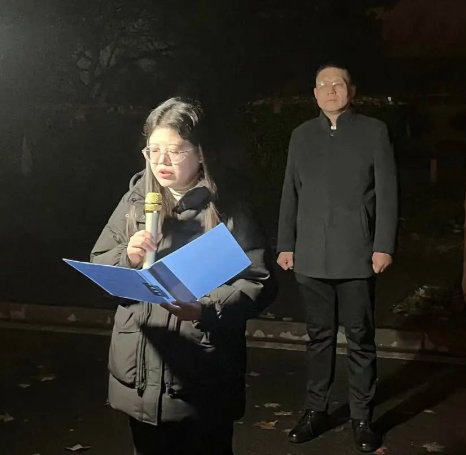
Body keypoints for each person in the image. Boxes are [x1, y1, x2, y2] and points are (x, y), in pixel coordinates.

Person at [90, 97, 276, 455]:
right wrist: (128, 257)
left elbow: (259, 280)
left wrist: (204, 309)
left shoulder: (230, 207)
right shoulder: (134, 201)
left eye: (174, 151)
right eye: (153, 150)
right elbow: (101, 261)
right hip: (139, 372)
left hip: (201, 375)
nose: (161, 161)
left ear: (201, 153)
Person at [276, 63, 398, 453]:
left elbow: (388, 193)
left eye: (338, 83)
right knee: (319, 338)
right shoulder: (301, 135)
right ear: (315, 94)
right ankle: (315, 411)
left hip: (357, 254)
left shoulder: (374, 131)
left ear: (352, 90)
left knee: (360, 338)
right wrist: (285, 243)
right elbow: (290, 192)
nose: (331, 90)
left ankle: (362, 417)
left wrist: (383, 245)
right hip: (311, 254)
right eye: (323, 85)